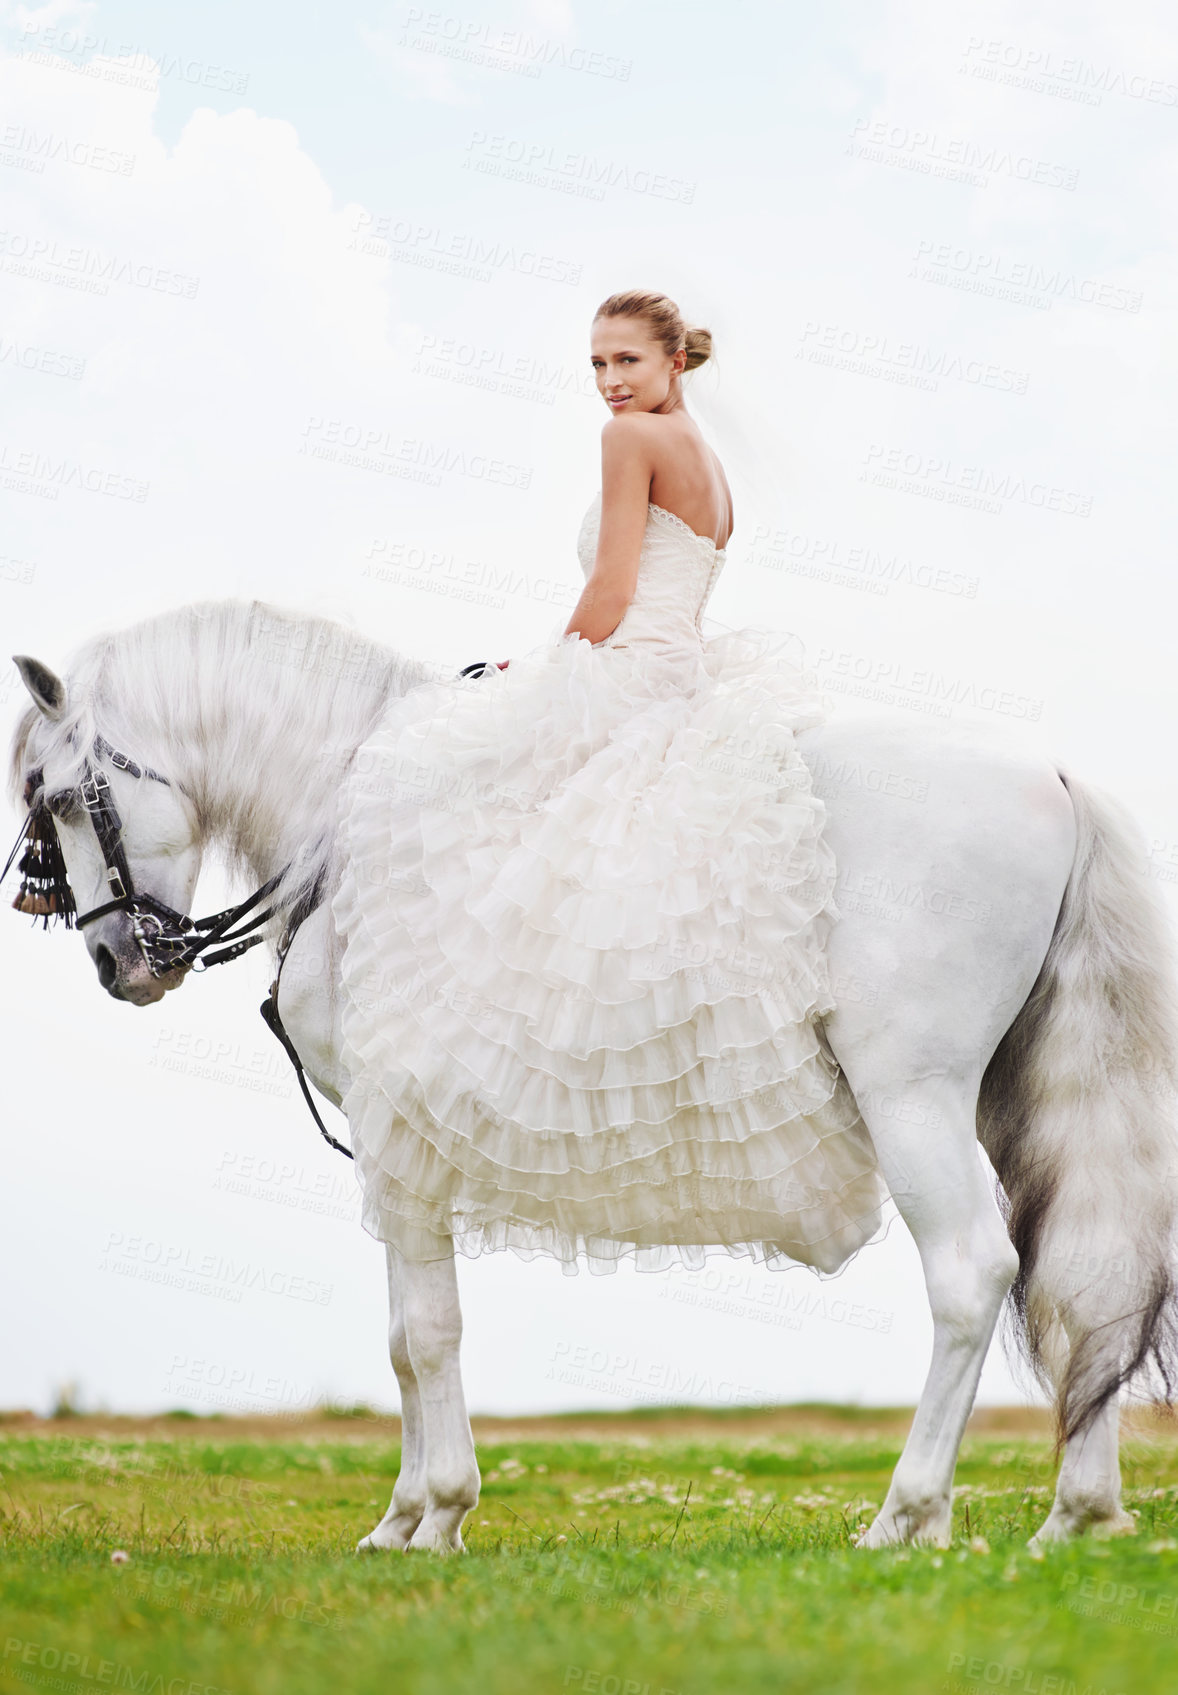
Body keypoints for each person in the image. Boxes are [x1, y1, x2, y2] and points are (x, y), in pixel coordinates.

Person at [331, 288, 886, 1275]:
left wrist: (539, 666)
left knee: (443, 783)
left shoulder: (628, 444)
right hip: (678, 667)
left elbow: (614, 590)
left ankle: (457, 1062)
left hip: (630, 665)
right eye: (595, 365)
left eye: (626, 361)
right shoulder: (703, 457)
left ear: (674, 361)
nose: (609, 383)